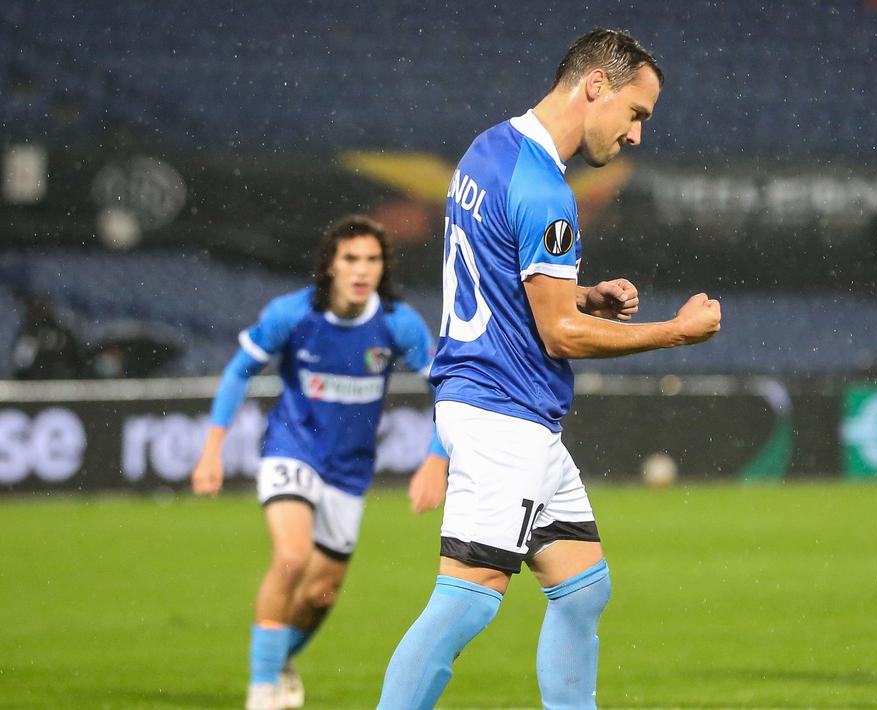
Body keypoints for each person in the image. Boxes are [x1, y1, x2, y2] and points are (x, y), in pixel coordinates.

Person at [376, 28, 721, 709]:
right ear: (596, 86)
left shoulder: (489, 150)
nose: (635, 137)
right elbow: (559, 334)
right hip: (501, 414)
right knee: (466, 602)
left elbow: (502, 279)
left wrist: (581, 295)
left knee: (583, 586)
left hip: (499, 401)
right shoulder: (546, 191)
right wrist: (675, 333)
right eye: (636, 115)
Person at [190, 215, 449, 710]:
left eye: (372, 260)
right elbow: (237, 371)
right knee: (291, 557)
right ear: (330, 265)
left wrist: (436, 459)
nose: (361, 270)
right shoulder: (291, 314)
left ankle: (279, 659)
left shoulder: (397, 323)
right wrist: (211, 450)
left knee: (321, 594)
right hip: (292, 449)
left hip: (349, 471)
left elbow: (446, 390)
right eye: (351, 258)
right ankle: (262, 691)